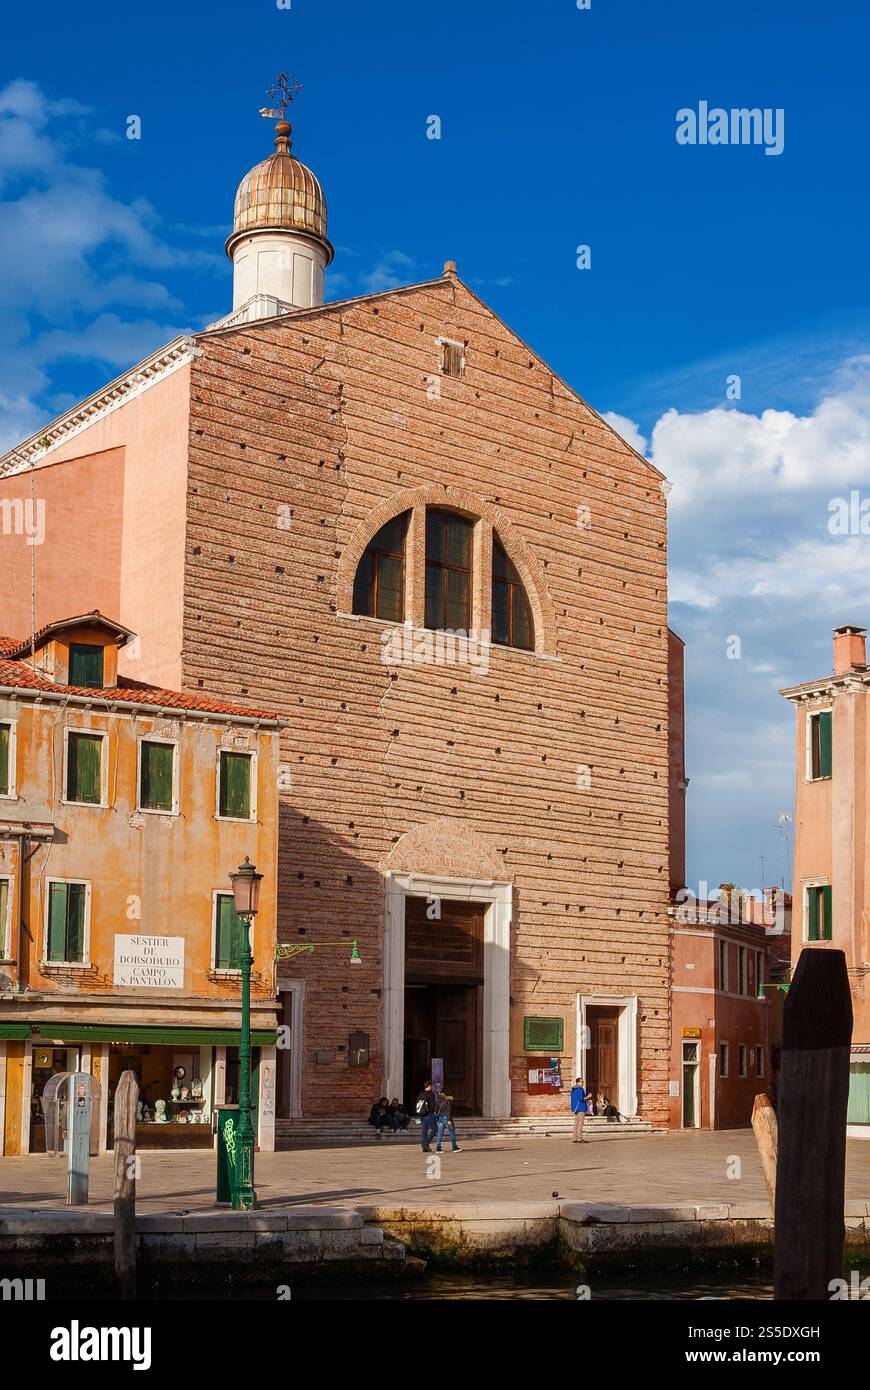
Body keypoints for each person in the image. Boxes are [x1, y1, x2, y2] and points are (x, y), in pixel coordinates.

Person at [434, 1088, 462, 1153]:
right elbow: (448, 1110)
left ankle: (438, 1148)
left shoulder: (440, 1099)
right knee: (452, 1132)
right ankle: (454, 1147)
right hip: (446, 1117)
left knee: (440, 1133)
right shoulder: (448, 1100)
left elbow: (436, 1109)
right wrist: (449, 1119)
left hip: (440, 1117)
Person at [415, 1080, 438, 1152]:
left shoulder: (421, 1093)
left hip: (422, 1115)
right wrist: (435, 1112)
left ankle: (424, 1147)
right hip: (429, 1115)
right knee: (435, 1129)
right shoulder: (431, 1094)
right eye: (432, 1085)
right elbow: (433, 1105)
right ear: (430, 1086)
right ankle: (426, 1143)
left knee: (424, 1131)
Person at [570, 1076, 588, 1143]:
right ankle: (580, 1138)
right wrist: (588, 1097)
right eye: (581, 1081)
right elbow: (581, 1099)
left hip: (575, 1108)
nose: (582, 1083)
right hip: (581, 1108)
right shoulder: (580, 1089)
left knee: (576, 1124)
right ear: (578, 1082)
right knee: (580, 1124)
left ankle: (574, 1138)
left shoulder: (573, 1089)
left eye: (583, 1082)